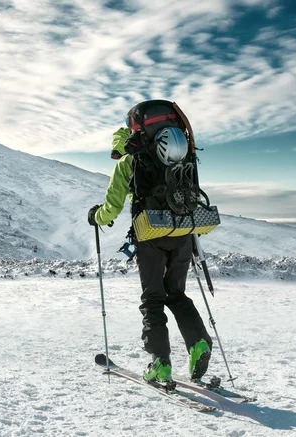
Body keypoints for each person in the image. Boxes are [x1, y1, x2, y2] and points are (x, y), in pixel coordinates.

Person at [87, 122, 213, 384]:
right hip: (183, 232)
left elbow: (111, 209)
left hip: (150, 235)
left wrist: (95, 216)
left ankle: (160, 364)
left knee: (153, 298)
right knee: (177, 294)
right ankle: (199, 343)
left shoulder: (128, 162)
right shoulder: (178, 154)